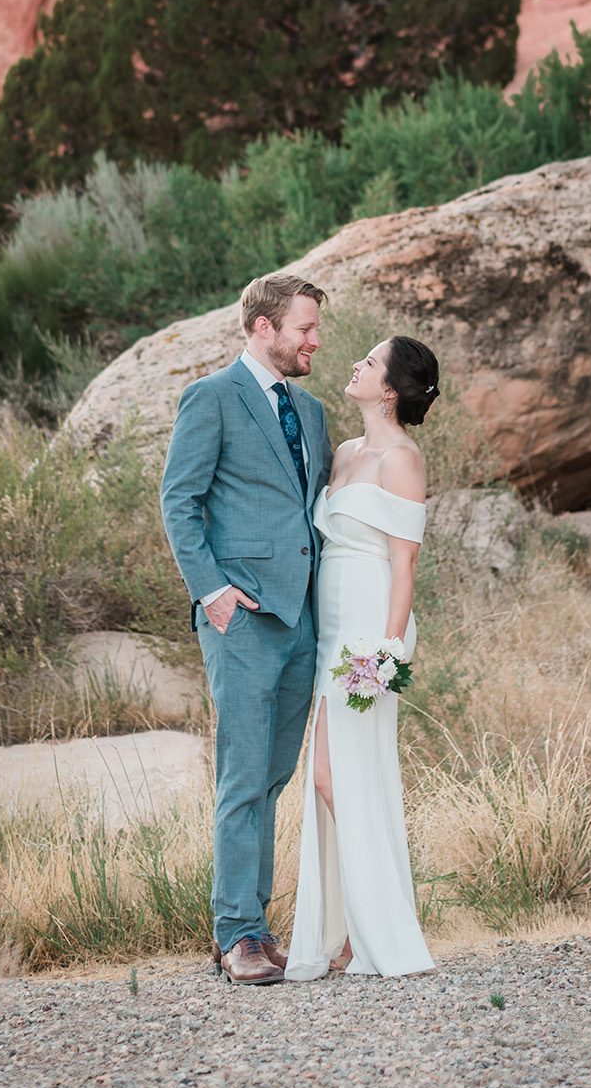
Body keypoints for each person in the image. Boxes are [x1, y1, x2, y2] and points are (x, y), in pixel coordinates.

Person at [160, 272, 333, 986]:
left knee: (271, 775)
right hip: (242, 619)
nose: (314, 341)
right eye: (304, 329)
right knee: (241, 776)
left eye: (315, 329)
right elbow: (180, 501)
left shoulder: (314, 412)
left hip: (303, 620)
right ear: (262, 327)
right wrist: (214, 593)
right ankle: (235, 935)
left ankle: (257, 927)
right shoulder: (212, 398)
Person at [285, 334, 439, 981]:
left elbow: (405, 566)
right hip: (330, 629)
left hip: (370, 632)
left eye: (370, 362)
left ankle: (381, 923)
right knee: (329, 779)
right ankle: (352, 934)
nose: (357, 364)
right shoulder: (345, 452)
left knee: (336, 777)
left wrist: (386, 654)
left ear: (391, 389)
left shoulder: (403, 459)